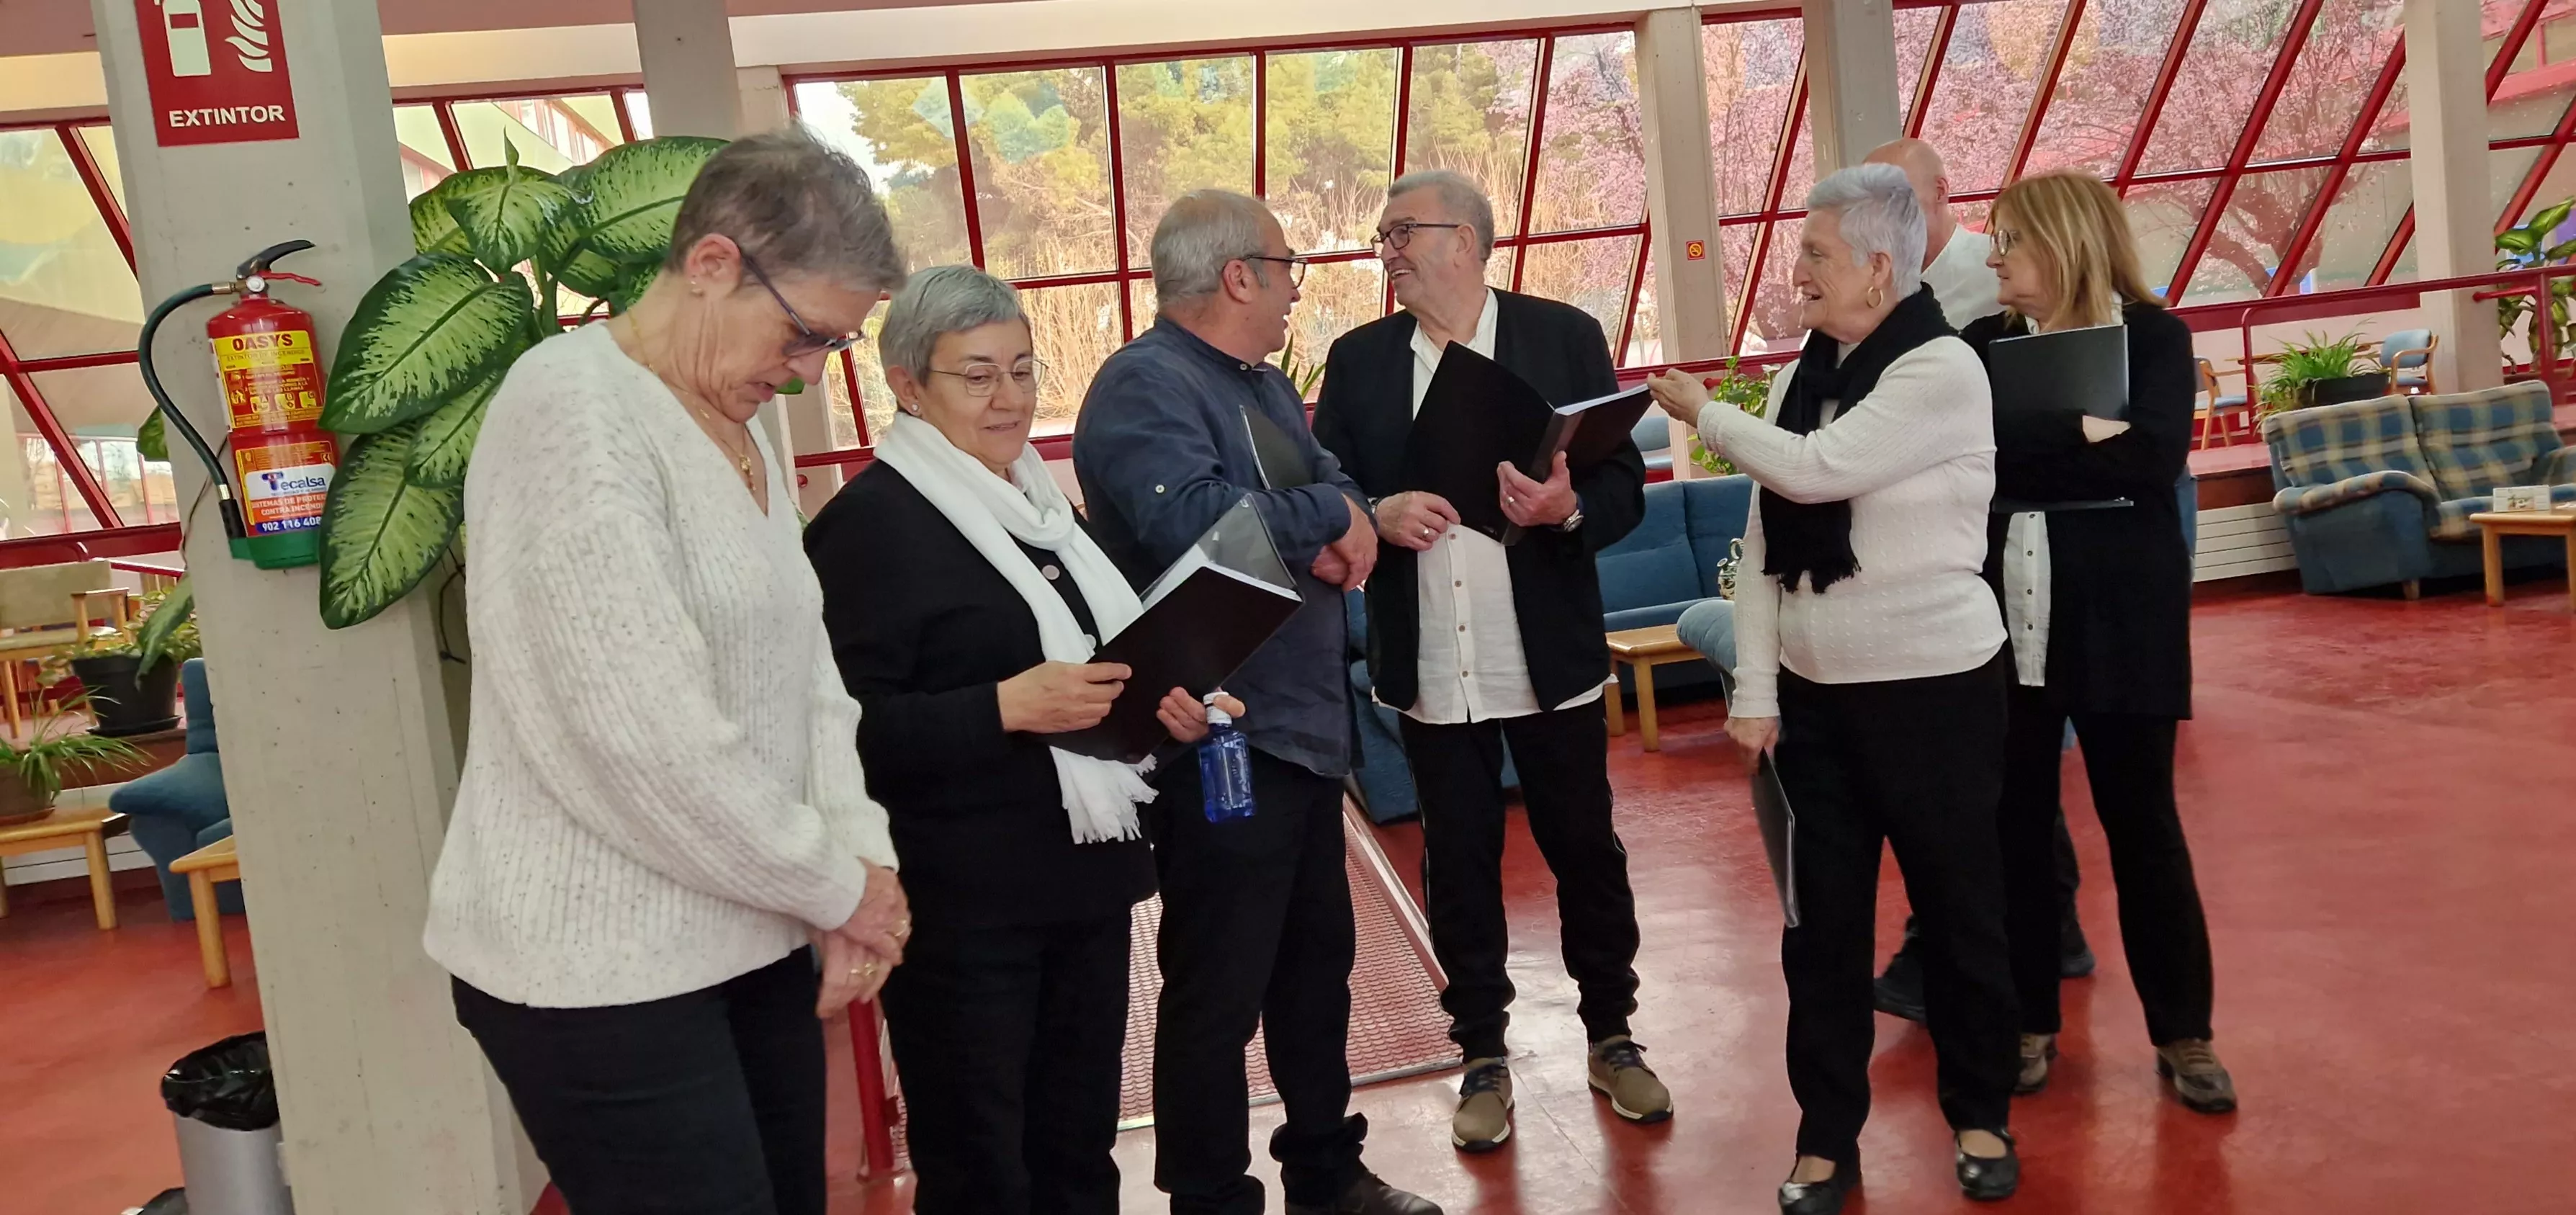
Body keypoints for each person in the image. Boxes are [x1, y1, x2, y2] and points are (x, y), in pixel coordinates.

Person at [422, 128, 912, 1215]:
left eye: (827, 348)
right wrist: (842, 887)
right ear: (711, 264)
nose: (802, 375)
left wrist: (857, 868)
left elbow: (808, 676)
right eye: (802, 337)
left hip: (748, 928)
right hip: (600, 973)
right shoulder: (571, 413)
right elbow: (640, 742)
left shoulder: (731, 420)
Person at [804, 266, 1247, 1214]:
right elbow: (841, 731)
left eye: (1021, 370)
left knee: (1078, 1148)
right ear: (908, 384)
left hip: (1084, 885)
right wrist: (1002, 706)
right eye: (976, 376)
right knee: (981, 1167)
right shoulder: (870, 529)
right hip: (963, 906)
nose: (1008, 399)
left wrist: (1168, 707)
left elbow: (1099, 677)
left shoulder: (1049, 515)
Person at [1646, 163, 2022, 1214]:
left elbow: (1815, 471)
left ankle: (1981, 1111)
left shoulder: (1941, 368)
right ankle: (1825, 1140)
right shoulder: (1800, 378)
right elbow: (1766, 540)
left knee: (1961, 911)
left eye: (1814, 253)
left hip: (1937, 690)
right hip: (1817, 703)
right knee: (1820, 932)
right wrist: (1754, 687)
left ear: (1877, 265)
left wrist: (1702, 411)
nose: (1795, 270)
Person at [1072, 190, 1440, 1215]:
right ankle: (1209, 1190)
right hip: (1219, 737)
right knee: (1218, 987)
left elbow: (1328, 481)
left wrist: (1340, 509)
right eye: (1285, 268)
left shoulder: (1265, 383)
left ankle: (1324, 1166)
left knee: (1315, 969)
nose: (1291, 289)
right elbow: (1193, 520)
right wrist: (1331, 514)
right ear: (1238, 274)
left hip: (1301, 734)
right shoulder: (1144, 387)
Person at [1309, 170, 1664, 1153]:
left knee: (1585, 848)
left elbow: (1619, 478)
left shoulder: (1562, 336)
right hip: (1428, 655)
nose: (1385, 250)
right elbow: (1326, 484)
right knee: (1456, 862)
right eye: (1382, 236)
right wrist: (1372, 512)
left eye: (1400, 232)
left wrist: (1570, 509)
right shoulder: (1359, 359)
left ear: (1464, 240)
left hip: (1544, 648)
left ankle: (1614, 1032)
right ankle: (1481, 1052)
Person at [1965, 171, 2234, 1113]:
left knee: (2144, 828)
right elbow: (1975, 457)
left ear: (2065, 242)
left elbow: (2154, 454)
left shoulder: (2155, 336)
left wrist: (2034, 439)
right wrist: (2080, 429)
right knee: (2015, 833)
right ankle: (2030, 1022)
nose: (1992, 256)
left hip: (2124, 619)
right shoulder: (1978, 345)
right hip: (2005, 621)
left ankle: (2185, 1033)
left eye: (2009, 239)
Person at [1862, 136, 2096, 1024]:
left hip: (2008, 557)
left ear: (1941, 197)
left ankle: (2002, 941)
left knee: (1997, 763)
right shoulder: (1915, 297)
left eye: (1899, 199)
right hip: (1954, 550)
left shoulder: (1981, 293)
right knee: (1996, 761)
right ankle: (2031, 931)